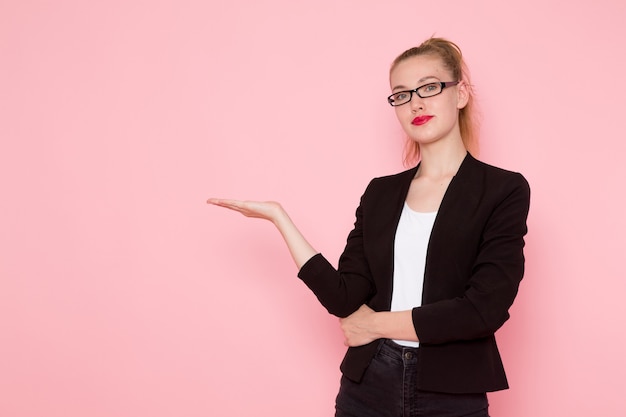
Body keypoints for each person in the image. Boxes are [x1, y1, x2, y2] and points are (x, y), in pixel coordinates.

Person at [207, 37, 530, 417]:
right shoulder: (380, 193)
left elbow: (482, 310)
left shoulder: (503, 189)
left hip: (452, 391)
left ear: (460, 94)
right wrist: (280, 218)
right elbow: (345, 298)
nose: (416, 103)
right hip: (369, 384)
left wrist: (373, 324)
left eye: (429, 87)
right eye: (402, 94)